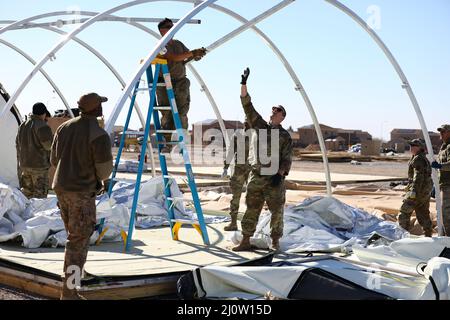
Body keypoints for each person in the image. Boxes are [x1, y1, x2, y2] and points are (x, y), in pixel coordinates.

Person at [51, 93, 113, 299]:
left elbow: (54, 159)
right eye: (100, 105)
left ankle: (76, 273)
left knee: (74, 236)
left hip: (62, 189)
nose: (102, 108)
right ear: (96, 109)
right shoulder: (98, 134)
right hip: (81, 193)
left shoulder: (64, 127)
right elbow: (104, 171)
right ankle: (69, 291)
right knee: (78, 241)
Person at [232, 68, 293, 252]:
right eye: (272, 110)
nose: (273, 113)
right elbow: (247, 105)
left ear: (283, 117)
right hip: (257, 176)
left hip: (274, 178)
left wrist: (280, 174)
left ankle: (275, 241)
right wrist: (243, 84)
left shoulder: (285, 136)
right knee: (251, 208)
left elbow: (287, 158)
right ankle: (245, 241)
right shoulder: (259, 126)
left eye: (278, 111)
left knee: (276, 211)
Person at [156, 18, 207, 151]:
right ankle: (168, 143)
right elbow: (174, 57)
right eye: (169, 26)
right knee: (167, 113)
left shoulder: (178, 44)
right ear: (162, 30)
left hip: (180, 82)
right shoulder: (161, 46)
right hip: (165, 84)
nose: (173, 28)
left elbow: (185, 57)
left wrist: (196, 55)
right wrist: (192, 53)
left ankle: (180, 142)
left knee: (182, 112)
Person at [15, 102, 53, 198]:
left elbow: (17, 144)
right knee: (39, 198)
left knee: (27, 195)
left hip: (25, 166)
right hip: (39, 167)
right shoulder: (42, 126)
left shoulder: (23, 125)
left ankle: (26, 213)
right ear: (44, 113)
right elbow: (49, 146)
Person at [397, 139, 433, 237]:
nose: (411, 147)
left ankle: (403, 236)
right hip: (424, 192)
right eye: (411, 145)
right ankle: (428, 236)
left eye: (414, 145)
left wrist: (413, 191)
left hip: (417, 191)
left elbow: (418, 176)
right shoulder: (422, 158)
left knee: (404, 213)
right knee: (423, 214)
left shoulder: (418, 159)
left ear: (420, 147)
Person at [222, 121, 251, 231]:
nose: (247, 123)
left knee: (252, 198)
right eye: (246, 121)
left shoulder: (257, 136)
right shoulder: (237, 135)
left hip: (252, 171)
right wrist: (225, 167)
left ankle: (249, 225)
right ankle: (233, 223)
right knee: (235, 197)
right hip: (239, 170)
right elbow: (230, 152)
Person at [431, 124, 450, 235]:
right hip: (443, 184)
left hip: (448, 185)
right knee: (442, 213)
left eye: (444, 131)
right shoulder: (444, 146)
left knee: (446, 214)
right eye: (441, 132)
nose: (441, 134)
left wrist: (440, 166)